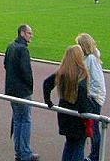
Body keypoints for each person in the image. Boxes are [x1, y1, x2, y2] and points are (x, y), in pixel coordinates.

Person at [43, 45, 92, 161]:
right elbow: (82, 91)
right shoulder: (81, 74)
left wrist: (48, 101)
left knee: (69, 144)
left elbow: (46, 83)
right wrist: (85, 110)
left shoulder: (61, 72)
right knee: (79, 146)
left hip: (64, 114)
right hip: (77, 117)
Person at [4, 25, 40, 161]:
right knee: (25, 121)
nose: (31, 36)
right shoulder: (22, 49)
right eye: (29, 33)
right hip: (22, 91)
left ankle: (19, 152)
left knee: (18, 121)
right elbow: (26, 72)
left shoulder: (10, 46)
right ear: (23, 33)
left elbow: (5, 65)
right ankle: (25, 153)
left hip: (11, 90)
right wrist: (30, 86)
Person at [76, 33, 106, 161]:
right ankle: (93, 155)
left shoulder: (91, 59)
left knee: (93, 128)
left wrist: (90, 95)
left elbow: (97, 82)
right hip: (91, 97)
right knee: (90, 127)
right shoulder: (88, 58)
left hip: (93, 98)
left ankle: (95, 156)